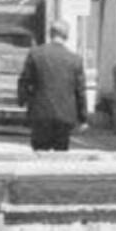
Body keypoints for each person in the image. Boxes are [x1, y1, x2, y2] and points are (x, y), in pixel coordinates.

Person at [18, 20, 88, 154]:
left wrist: (23, 101)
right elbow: (80, 90)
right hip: (65, 115)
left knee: (40, 152)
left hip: (40, 113)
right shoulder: (75, 59)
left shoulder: (36, 54)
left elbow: (24, 81)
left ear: (50, 34)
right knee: (61, 154)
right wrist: (83, 118)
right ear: (66, 36)